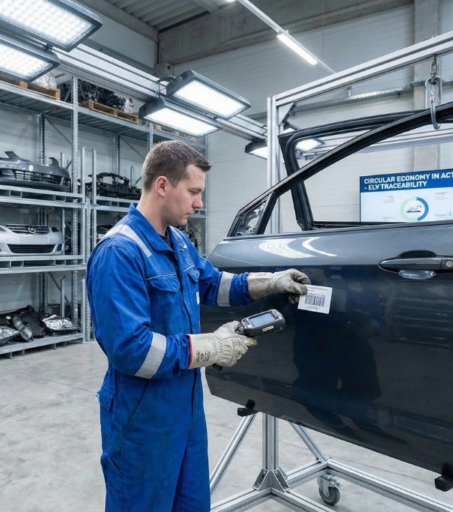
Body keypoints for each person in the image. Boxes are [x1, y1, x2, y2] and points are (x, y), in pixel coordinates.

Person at [87, 140, 310, 512]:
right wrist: (212, 346)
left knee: (191, 503)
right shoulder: (119, 253)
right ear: (162, 186)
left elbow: (213, 284)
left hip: (186, 408)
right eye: (193, 192)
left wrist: (269, 281)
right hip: (142, 417)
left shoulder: (177, 241)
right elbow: (131, 350)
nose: (199, 203)